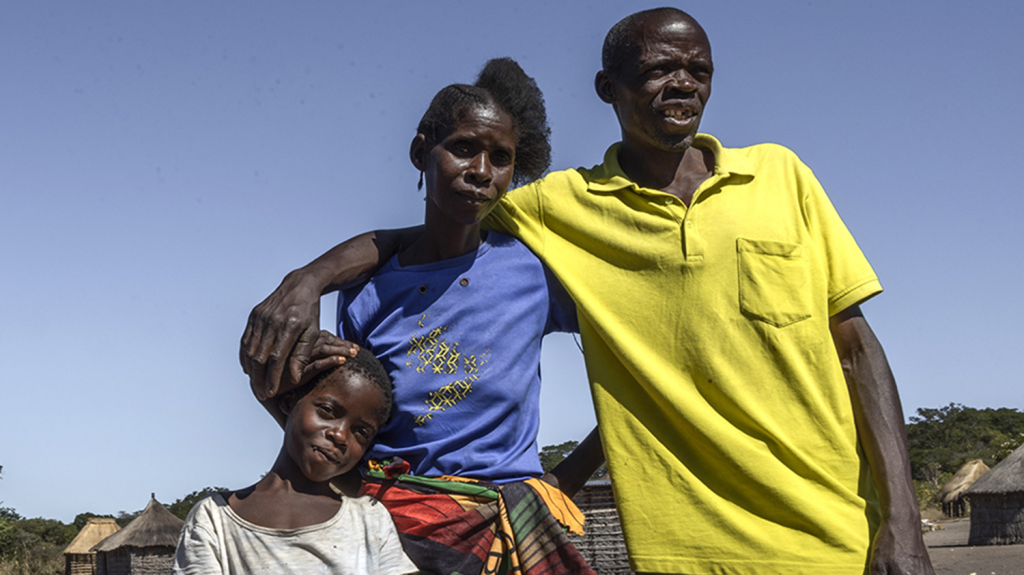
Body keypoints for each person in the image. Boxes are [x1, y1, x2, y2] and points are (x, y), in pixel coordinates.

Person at [240, 9, 934, 575]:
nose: (482, 172)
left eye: (698, 70)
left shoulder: (774, 179)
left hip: (807, 525)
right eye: (659, 68)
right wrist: (308, 279)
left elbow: (841, 352)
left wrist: (562, 482)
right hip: (422, 524)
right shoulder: (530, 226)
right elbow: (354, 386)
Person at [252, 58, 601, 575]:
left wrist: (564, 481)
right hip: (398, 525)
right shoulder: (367, 289)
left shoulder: (531, 271)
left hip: (513, 519)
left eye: (500, 158)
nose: (481, 171)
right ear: (421, 151)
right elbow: (353, 411)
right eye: (463, 148)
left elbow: (632, 360)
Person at [173, 343, 417, 575]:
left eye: (360, 432)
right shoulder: (214, 518)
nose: (340, 435)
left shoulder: (369, 520)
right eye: (328, 411)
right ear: (290, 402)